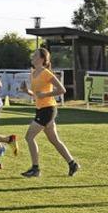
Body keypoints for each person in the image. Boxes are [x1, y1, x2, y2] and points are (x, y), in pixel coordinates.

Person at [19, 48, 79, 177]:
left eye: (35, 55)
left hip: (48, 109)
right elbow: (37, 95)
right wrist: (26, 91)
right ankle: (72, 163)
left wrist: (45, 94)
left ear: (41, 59)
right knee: (54, 140)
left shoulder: (46, 73)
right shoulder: (33, 73)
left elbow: (62, 90)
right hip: (41, 109)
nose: (32, 57)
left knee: (29, 137)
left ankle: (35, 169)